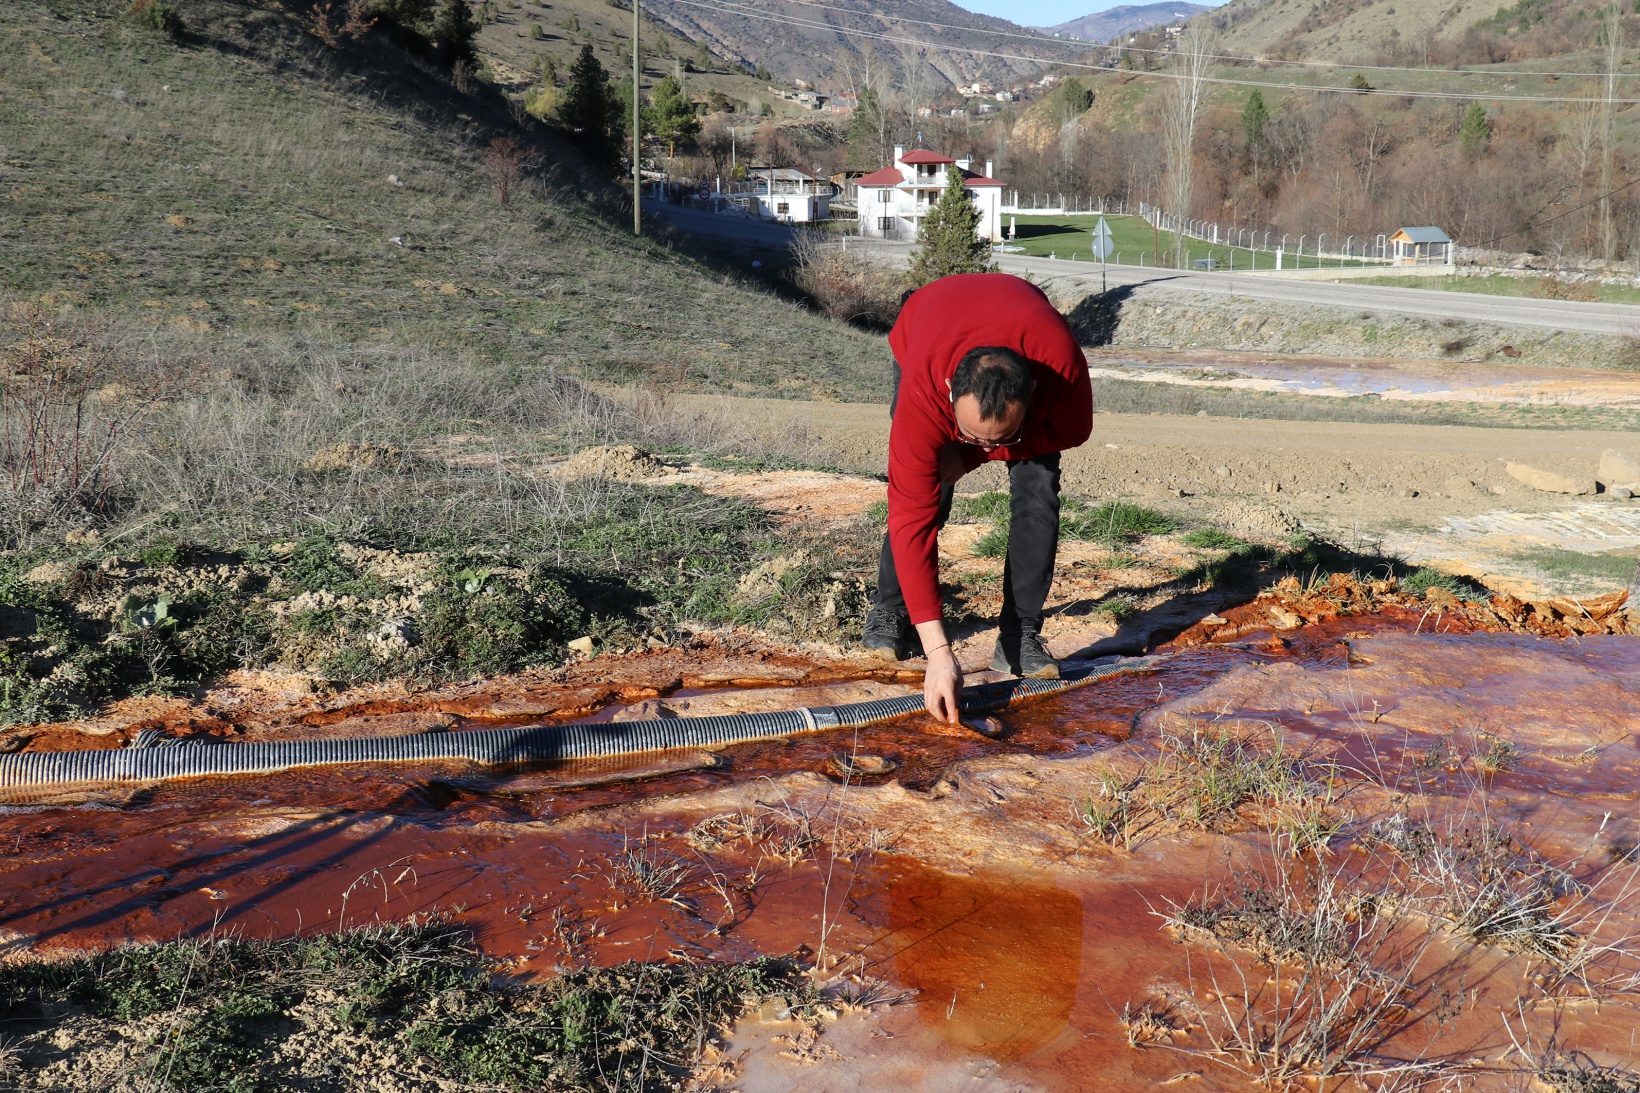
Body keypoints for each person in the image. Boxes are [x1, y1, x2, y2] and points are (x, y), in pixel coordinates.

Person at [862, 273, 1093, 723]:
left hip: (1026, 336)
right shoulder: (925, 390)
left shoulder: (1059, 368)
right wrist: (939, 653)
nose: (987, 447)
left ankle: (1020, 635)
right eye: (971, 436)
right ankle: (891, 610)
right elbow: (910, 515)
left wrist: (969, 456)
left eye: (1002, 438)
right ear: (950, 391)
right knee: (929, 493)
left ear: (1032, 395)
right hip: (927, 323)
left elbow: (1074, 430)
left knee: (1037, 491)